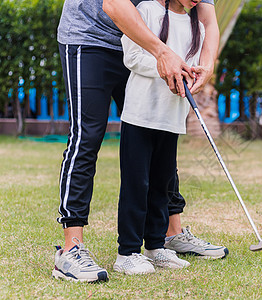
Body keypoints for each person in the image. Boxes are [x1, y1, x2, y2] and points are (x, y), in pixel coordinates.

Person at [52, 0, 227, 283]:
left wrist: (205, 67)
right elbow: (113, 4)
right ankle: (71, 248)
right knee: (88, 137)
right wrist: (162, 52)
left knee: (158, 138)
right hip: (91, 36)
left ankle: (168, 236)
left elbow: (208, 20)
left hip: (144, 42)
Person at [113, 0, 209, 275]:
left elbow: (190, 70)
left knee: (162, 185)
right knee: (136, 184)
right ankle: (127, 252)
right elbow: (131, 57)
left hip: (171, 118)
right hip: (140, 115)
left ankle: (155, 248)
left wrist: (191, 77)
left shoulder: (198, 29)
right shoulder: (147, 11)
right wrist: (164, 66)